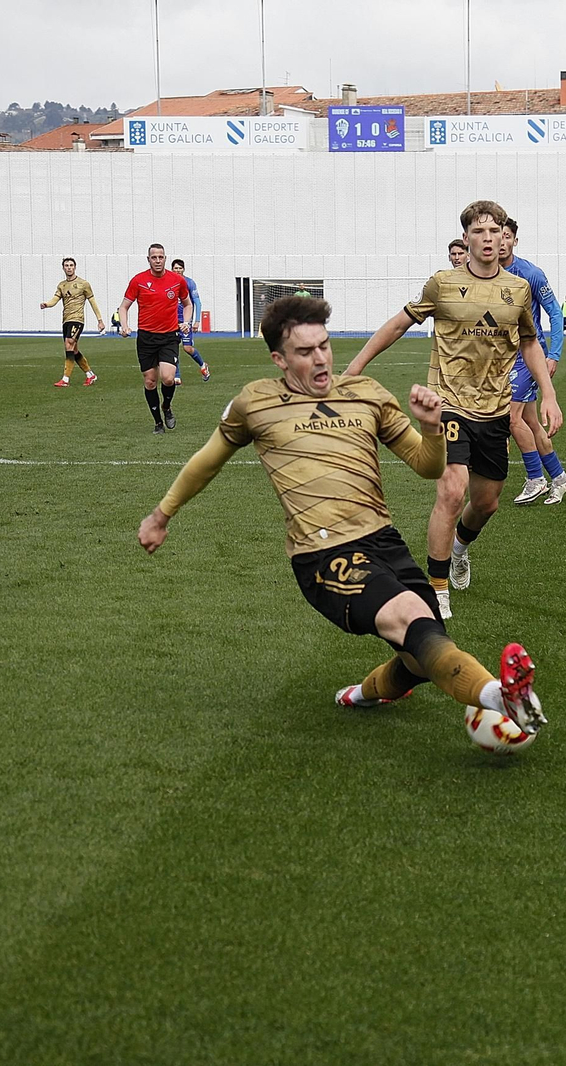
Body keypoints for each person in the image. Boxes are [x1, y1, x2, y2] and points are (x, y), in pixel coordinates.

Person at [137, 295, 545, 741]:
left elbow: (426, 466)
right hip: (321, 552)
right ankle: (501, 697)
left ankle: (364, 695)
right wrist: (162, 514)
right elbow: (207, 461)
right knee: (410, 616)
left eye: (325, 346)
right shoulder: (256, 402)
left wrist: (430, 429)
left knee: (421, 651)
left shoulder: (366, 394)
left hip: (384, 542)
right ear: (279, 358)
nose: (321, 359)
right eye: (305, 352)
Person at [344, 199, 561, 620]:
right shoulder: (442, 284)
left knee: (486, 502)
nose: (486, 238)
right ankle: (436, 587)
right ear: (466, 238)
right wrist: (355, 366)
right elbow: (400, 323)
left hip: (495, 411)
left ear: (504, 239)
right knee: (451, 490)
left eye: (493, 231)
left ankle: (460, 549)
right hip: (449, 405)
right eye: (477, 232)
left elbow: (530, 342)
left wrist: (548, 393)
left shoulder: (518, 290)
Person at [498, 217, 566, 506]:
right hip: (504, 358)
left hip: (529, 355)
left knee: (510, 416)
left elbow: (555, 313)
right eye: (497, 235)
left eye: (506, 236)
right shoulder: (489, 274)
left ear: (514, 241)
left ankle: (535, 479)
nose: (500, 241)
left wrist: (553, 355)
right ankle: (560, 478)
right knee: (530, 421)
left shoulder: (530, 274)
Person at [117, 243, 192, 434]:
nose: (157, 260)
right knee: (150, 381)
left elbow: (188, 304)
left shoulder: (177, 280)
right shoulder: (138, 280)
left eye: (161, 257)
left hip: (169, 336)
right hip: (146, 338)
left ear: (165, 258)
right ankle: (158, 422)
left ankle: (166, 407)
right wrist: (124, 326)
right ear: (148, 259)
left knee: (168, 378)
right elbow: (124, 306)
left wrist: (187, 322)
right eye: (154, 257)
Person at [41, 256, 103, 387]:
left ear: (75, 267)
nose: (69, 267)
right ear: (63, 268)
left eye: (71, 265)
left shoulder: (83, 284)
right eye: (66, 265)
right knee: (73, 350)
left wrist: (100, 320)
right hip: (66, 320)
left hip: (78, 319)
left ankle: (65, 379)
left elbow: (92, 301)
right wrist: (47, 304)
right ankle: (90, 375)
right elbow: (55, 299)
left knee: (69, 343)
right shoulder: (61, 285)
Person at [170, 259, 210, 384]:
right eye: (175, 268)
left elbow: (197, 302)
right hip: (171, 322)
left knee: (187, 348)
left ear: (183, 269)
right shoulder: (168, 282)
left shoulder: (189, 283)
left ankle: (203, 365)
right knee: (172, 347)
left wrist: (197, 321)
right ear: (172, 269)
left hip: (185, 322)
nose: (177, 270)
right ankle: (177, 375)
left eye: (180, 268)